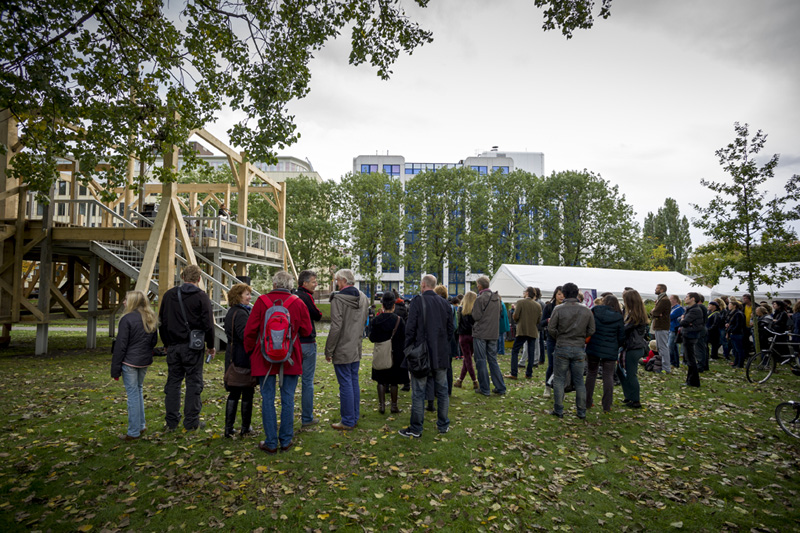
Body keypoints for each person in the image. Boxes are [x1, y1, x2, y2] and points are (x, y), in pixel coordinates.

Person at [244, 271, 312, 454]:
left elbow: (249, 331)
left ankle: (271, 442)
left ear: (274, 285)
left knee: (267, 399)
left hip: (263, 356)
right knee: (288, 398)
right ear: (290, 286)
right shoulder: (298, 303)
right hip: (290, 357)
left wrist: (250, 351)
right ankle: (286, 440)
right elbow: (307, 330)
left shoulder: (261, 302)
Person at [158, 265, 216, 431]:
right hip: (193, 346)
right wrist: (211, 345)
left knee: (173, 383)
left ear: (182, 277)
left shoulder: (169, 295)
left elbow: (162, 321)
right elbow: (208, 324)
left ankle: (171, 421)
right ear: (199, 279)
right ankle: (191, 421)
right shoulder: (201, 297)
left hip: (173, 345)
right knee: (194, 383)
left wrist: (166, 343)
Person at [398, 274, 454, 438]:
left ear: (423, 285)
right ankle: (443, 424)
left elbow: (410, 327)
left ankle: (416, 428)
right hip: (440, 353)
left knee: (418, 392)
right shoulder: (445, 303)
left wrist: (408, 348)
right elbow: (450, 329)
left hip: (421, 353)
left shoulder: (417, 301)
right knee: (442, 390)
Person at [325, 269, 370, 430]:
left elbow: (336, 327)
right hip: (355, 346)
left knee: (345, 384)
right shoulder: (363, 297)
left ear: (343, 280)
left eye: (337, 280)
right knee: (353, 382)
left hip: (343, 348)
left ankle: (348, 420)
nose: (336, 283)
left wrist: (328, 350)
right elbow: (364, 321)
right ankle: (353, 417)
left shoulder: (338, 299)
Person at [111, 290, 158, 441]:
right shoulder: (150, 318)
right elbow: (153, 341)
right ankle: (141, 425)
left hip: (130, 361)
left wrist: (115, 369)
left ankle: (133, 431)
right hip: (144, 360)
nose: (124, 302)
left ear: (133, 302)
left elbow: (121, 345)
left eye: (126, 299)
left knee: (132, 395)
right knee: (138, 390)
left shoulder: (127, 319)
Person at [548, 282, 594, 419]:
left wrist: (560, 336)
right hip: (578, 347)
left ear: (564, 293)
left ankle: (558, 409)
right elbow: (592, 329)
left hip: (562, 346)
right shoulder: (586, 310)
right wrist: (581, 337)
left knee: (559, 379)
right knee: (579, 380)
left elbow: (551, 328)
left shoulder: (558, 309)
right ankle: (581, 411)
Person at [222, 283, 255, 438]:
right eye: (246, 294)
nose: (250, 297)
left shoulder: (233, 311)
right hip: (241, 356)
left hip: (233, 354)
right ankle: (245, 427)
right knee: (246, 390)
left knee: (235, 391)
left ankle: (229, 428)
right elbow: (244, 335)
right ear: (238, 296)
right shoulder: (241, 313)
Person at [585, 294, 624, 413]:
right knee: (608, 376)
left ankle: (587, 401)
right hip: (610, 348)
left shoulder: (595, 311)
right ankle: (607, 405)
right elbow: (621, 336)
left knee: (591, 373)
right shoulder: (618, 316)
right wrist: (616, 345)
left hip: (594, 346)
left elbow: (589, 327)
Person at [369, 292, 407, 414]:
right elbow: (404, 338)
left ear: (383, 305)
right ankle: (394, 406)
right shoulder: (399, 320)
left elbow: (372, 338)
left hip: (381, 353)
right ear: (393, 305)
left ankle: (381, 405)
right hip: (396, 354)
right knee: (394, 381)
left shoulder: (376, 320)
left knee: (381, 380)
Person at [295, 270, 323, 427]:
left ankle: (287, 417)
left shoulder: (293, 296)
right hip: (307, 342)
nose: (316, 284)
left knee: (290, 382)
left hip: (293, 343)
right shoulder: (306, 297)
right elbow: (317, 315)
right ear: (304, 283)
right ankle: (307, 417)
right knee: (307, 381)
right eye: (313, 282)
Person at [471, 275, 506, 397]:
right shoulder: (497, 299)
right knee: (492, 360)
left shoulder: (480, 299)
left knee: (481, 360)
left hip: (481, 333)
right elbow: (499, 314)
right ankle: (500, 387)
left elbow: (476, 316)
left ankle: (485, 388)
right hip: (493, 333)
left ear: (480, 286)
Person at [620, 290, 649, 408]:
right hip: (635, 346)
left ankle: (635, 399)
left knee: (631, 374)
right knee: (622, 371)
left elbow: (624, 330)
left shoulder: (634, 317)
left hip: (633, 347)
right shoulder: (637, 314)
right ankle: (629, 395)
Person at [507, 287, 542, 380]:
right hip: (533, 330)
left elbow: (516, 316)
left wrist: (516, 318)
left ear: (527, 293)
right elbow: (539, 320)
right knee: (531, 352)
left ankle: (514, 373)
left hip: (522, 329)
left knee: (515, 350)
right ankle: (529, 373)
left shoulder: (520, 302)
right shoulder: (538, 305)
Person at [540, 286, 564, 397]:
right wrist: (548, 320)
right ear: (555, 295)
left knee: (563, 366)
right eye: (559, 294)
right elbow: (541, 323)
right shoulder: (549, 307)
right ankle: (548, 387)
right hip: (551, 339)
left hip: (564, 339)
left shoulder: (567, 307)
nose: (561, 296)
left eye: (563, 294)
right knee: (552, 364)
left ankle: (561, 389)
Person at [680, 292, 705, 387]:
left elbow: (684, 322)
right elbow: (682, 320)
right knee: (689, 358)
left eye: (687, 297)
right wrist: (683, 320)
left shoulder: (695, 310)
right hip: (688, 334)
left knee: (691, 359)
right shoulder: (690, 309)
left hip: (691, 335)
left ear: (692, 299)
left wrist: (683, 320)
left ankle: (693, 381)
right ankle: (690, 380)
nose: (685, 298)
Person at [454, 291, 478, 389]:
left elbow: (458, 322)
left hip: (463, 336)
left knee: (467, 359)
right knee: (467, 358)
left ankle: (474, 380)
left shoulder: (460, 309)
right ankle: (460, 380)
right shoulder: (475, 309)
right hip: (473, 335)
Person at [651, 283, 671, 374]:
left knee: (663, 347)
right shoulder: (661, 299)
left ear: (662, 290)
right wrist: (655, 312)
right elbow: (656, 312)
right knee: (660, 347)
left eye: (657, 288)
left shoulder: (664, 300)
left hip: (662, 326)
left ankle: (666, 368)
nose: (655, 289)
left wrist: (654, 311)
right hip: (659, 325)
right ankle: (661, 365)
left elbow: (655, 312)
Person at [725, 299, 746, 368]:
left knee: (739, 349)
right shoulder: (732, 313)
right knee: (735, 349)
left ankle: (740, 364)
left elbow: (738, 325)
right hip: (734, 333)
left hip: (737, 333)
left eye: (730, 305)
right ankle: (736, 362)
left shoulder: (738, 314)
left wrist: (732, 330)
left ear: (734, 306)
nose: (728, 306)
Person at [668, 295, 683, 370]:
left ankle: (673, 362)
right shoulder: (672, 308)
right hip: (671, 328)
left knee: (671, 346)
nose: (669, 300)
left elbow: (670, 316)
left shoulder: (678, 308)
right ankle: (674, 361)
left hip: (674, 329)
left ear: (675, 300)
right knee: (673, 346)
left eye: (670, 299)